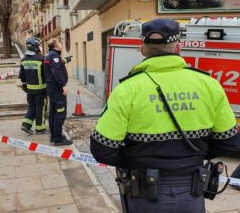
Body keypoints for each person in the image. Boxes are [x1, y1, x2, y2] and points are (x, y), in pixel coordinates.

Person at [90, 18, 240, 213]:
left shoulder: (127, 89)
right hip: (191, 191)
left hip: (144, 194)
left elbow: (102, 149)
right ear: (178, 47)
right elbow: (229, 141)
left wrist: (133, 161)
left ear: (142, 49)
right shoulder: (208, 84)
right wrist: (197, 153)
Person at [44, 37, 73, 146]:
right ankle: (58, 138)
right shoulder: (54, 56)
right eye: (59, 42)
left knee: (53, 112)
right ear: (55, 45)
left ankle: (54, 136)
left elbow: (55, 66)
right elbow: (56, 71)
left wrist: (65, 60)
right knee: (60, 113)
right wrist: (63, 85)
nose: (61, 43)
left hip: (51, 88)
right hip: (57, 89)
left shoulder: (49, 55)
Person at [19, 37, 48, 135]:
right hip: (41, 90)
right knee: (40, 109)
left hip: (30, 90)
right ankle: (40, 129)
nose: (40, 47)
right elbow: (47, 74)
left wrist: (24, 87)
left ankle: (26, 125)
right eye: (39, 45)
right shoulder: (41, 59)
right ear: (35, 46)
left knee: (32, 107)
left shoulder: (23, 60)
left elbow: (22, 76)